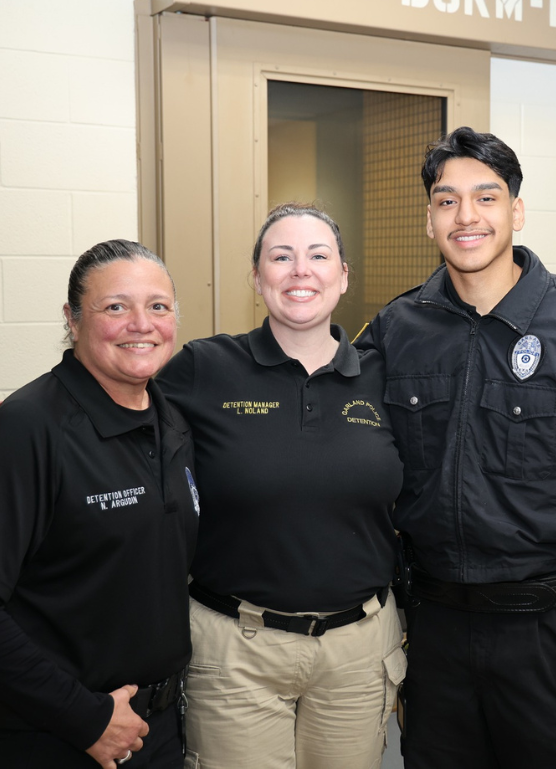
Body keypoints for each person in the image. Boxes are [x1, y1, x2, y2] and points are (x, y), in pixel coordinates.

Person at [354, 126, 556, 769]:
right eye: (447, 201)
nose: (466, 217)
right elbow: (354, 459)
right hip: (435, 629)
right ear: (429, 219)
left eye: (486, 198)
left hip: (550, 631)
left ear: (517, 211)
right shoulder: (396, 328)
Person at [0, 240, 199, 769]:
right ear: (72, 320)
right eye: (116, 306)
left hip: (152, 733)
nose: (141, 323)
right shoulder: (28, 428)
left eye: (158, 306)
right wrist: (86, 717)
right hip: (47, 737)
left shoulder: (173, 424)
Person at [155, 203, 405, 769]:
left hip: (359, 650)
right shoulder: (204, 367)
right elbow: (122, 415)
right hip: (235, 650)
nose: (300, 271)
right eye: (281, 256)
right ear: (256, 276)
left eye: (319, 256)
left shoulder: (384, 377)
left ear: (343, 277)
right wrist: (40, 416)